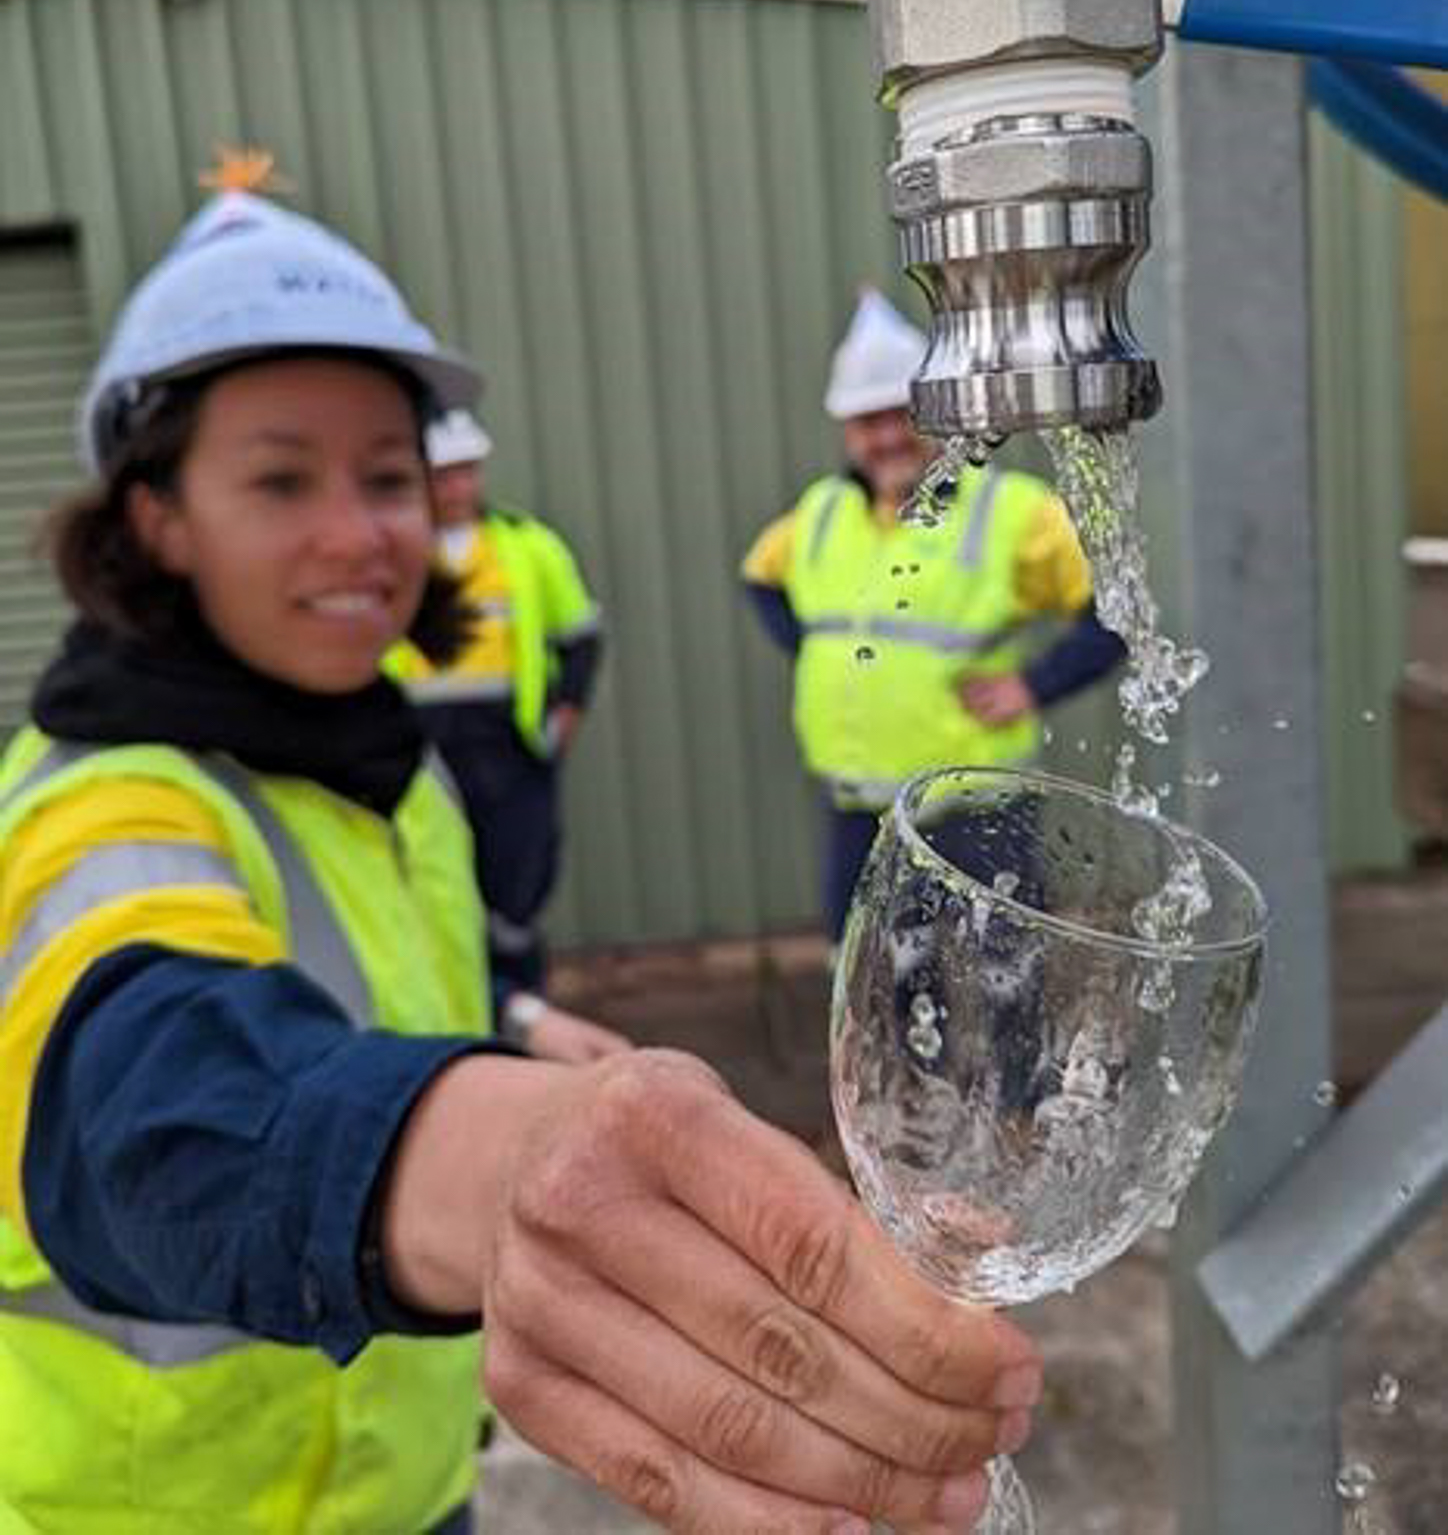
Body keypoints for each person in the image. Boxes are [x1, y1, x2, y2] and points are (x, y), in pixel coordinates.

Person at [0, 194, 1040, 1533]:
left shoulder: (381, 765)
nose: (360, 533)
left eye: (387, 477)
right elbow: (157, 1106)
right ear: (156, 522)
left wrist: (526, 1026)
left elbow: (366, 994)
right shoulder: (107, 804)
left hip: (410, 1491)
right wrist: (521, 1166)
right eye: (279, 479)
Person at [742, 288, 1125, 941]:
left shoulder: (1010, 512)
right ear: (846, 430)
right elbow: (760, 578)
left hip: (976, 818)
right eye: (868, 420)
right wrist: (812, 652)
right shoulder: (820, 514)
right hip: (857, 810)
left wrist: (1031, 686)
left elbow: (1116, 610)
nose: (887, 436)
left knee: (997, 993)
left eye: (902, 415)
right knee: (867, 994)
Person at [387, 406, 609, 1056]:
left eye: (466, 472)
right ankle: (462, 1024)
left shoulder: (527, 544)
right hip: (422, 748)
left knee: (515, 888)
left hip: (509, 745)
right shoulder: (400, 550)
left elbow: (581, 638)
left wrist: (564, 717)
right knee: (434, 886)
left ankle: (523, 1017)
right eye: (443, 474)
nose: (456, 488)